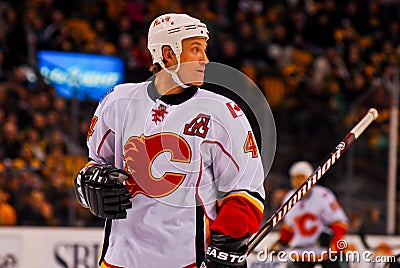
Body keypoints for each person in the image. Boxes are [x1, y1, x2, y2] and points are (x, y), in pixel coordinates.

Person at [73, 13, 266, 268]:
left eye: (204, 49)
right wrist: (87, 184)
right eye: (195, 49)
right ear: (168, 54)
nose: (205, 59)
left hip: (189, 260)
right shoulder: (118, 102)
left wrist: (228, 241)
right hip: (120, 259)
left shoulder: (223, 111)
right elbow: (96, 164)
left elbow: (247, 189)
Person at [273, 161, 348, 268]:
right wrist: (282, 242)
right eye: (295, 177)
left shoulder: (324, 195)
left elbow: (340, 222)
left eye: (301, 177)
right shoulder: (288, 198)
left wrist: (333, 240)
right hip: (302, 252)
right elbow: (289, 227)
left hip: (327, 251)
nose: (298, 181)